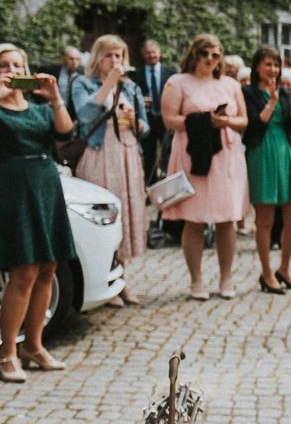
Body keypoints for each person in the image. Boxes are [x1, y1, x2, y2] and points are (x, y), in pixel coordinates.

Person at [0, 43, 74, 381]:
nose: (11, 70)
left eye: (17, 64)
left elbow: (66, 132)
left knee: (48, 266)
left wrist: (55, 95)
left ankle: (34, 344)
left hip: (46, 185)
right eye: (3, 65)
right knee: (24, 269)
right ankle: (8, 352)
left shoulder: (40, 108)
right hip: (14, 189)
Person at [160, 34, 249, 300]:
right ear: (194, 55)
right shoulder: (178, 82)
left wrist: (226, 122)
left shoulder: (230, 85)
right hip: (192, 153)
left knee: (226, 219)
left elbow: (243, 120)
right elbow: (169, 119)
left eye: (215, 54)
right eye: (204, 54)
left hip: (226, 155)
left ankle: (226, 278)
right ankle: (196, 280)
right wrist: (202, 121)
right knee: (195, 219)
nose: (210, 59)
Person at [72, 34, 149, 306]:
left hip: (127, 153)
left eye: (119, 56)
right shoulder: (82, 83)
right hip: (100, 153)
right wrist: (108, 84)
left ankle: (121, 282)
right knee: (103, 217)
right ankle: (105, 284)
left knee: (125, 215)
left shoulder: (132, 88)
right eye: (109, 55)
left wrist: (137, 123)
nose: (115, 60)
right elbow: (85, 114)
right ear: (97, 57)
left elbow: (145, 125)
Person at [242, 47, 291, 294]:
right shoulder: (247, 92)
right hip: (262, 151)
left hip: (287, 152)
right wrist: (271, 101)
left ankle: (285, 268)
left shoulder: (286, 92)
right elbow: (255, 124)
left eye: (276, 65)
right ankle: (267, 273)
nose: (272, 69)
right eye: (268, 64)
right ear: (257, 67)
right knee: (265, 219)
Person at [132, 39, 176, 182]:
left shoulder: (171, 73)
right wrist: (140, 101)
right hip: (148, 118)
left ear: (159, 52)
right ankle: (151, 186)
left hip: (166, 118)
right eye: (148, 53)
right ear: (143, 55)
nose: (151, 55)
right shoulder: (136, 75)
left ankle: (169, 183)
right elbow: (131, 97)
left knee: (168, 153)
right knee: (149, 154)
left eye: (154, 52)